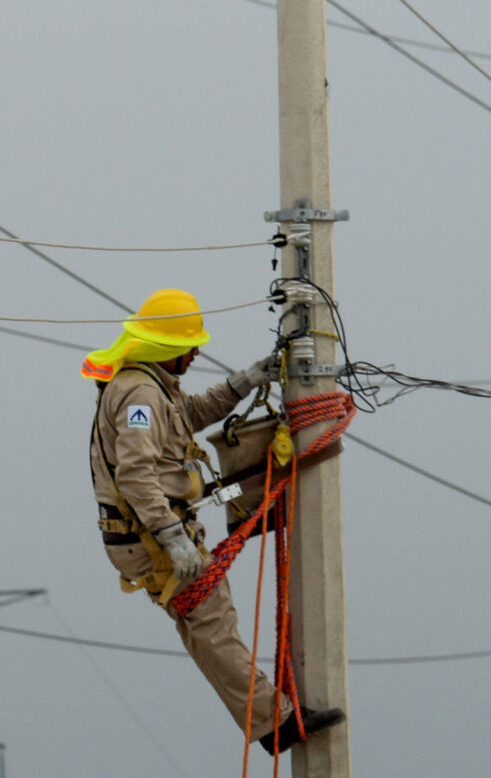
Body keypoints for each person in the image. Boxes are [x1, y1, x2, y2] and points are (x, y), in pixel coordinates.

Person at [85, 289, 345, 756]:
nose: (196, 352)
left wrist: (244, 383)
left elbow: (191, 415)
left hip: (153, 533)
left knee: (209, 621)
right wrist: (171, 537)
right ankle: (276, 722)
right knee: (212, 622)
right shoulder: (139, 395)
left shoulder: (151, 387)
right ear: (169, 348)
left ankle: (270, 717)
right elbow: (135, 472)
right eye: (190, 346)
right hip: (152, 536)